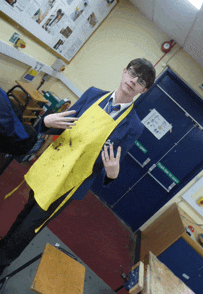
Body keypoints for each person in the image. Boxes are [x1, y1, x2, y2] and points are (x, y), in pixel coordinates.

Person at [0, 58, 156, 275]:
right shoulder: (93, 94)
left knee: (30, 227)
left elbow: (112, 163)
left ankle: (2, 262)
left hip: (71, 182)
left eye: (140, 81)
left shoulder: (134, 126)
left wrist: (112, 175)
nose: (133, 81)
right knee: (26, 211)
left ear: (144, 90)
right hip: (52, 166)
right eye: (132, 73)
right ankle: (3, 247)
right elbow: (63, 125)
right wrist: (46, 122)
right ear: (123, 72)